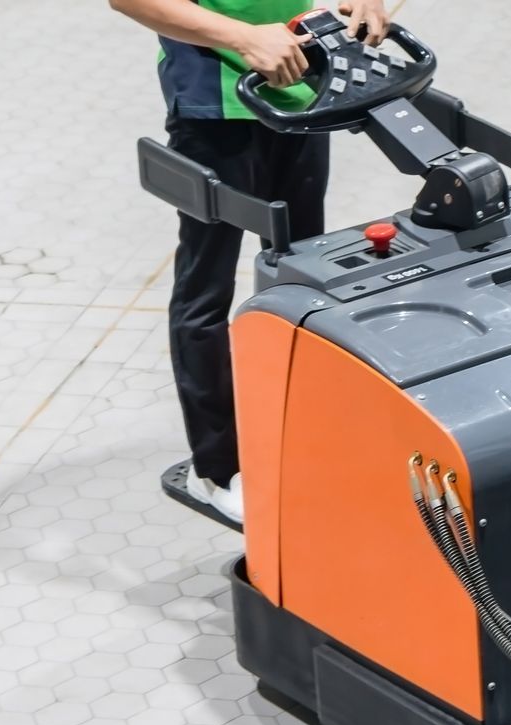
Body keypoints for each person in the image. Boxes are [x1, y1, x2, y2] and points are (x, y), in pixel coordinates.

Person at [111, 0, 390, 523]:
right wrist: (243, 38)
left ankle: (303, 442)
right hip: (215, 106)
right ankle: (215, 469)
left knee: (305, 280)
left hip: (301, 86)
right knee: (206, 290)